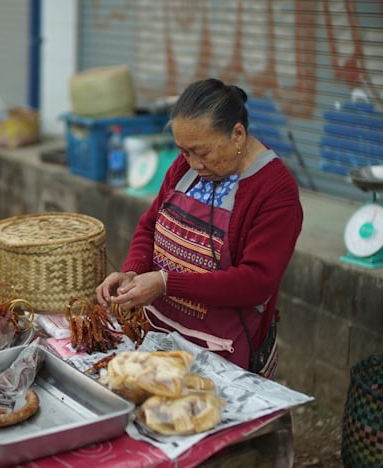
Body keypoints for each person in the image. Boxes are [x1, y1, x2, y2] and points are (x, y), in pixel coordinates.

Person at [96, 78, 303, 377]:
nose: (193, 163)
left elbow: (257, 282)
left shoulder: (275, 191)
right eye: (184, 152)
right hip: (158, 336)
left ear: (238, 135)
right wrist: (132, 271)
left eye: (203, 153)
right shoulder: (187, 168)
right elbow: (150, 225)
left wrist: (166, 283)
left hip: (222, 353)